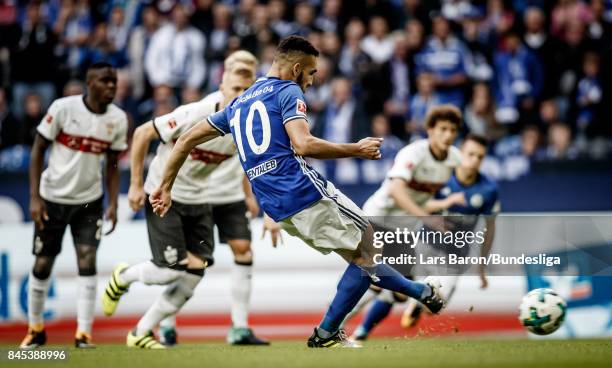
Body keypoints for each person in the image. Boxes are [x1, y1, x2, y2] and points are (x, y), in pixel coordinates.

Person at [149, 36, 445, 348]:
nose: (312, 80)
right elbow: (304, 144)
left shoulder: (239, 102)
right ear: (296, 68)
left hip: (276, 205)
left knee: (361, 256)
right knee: (369, 246)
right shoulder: (288, 90)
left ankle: (419, 294)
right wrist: (355, 149)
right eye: (312, 72)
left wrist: (164, 187)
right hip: (303, 190)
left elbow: (183, 140)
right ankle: (332, 330)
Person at [101, 52, 262, 349]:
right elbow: (141, 134)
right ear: (221, 88)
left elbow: (249, 162)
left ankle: (140, 332)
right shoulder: (198, 112)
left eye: (245, 90)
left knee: (195, 271)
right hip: (165, 194)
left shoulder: (248, 124)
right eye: (235, 90)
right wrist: (136, 185)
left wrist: (250, 195)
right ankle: (124, 276)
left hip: (200, 198)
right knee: (169, 270)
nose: (240, 96)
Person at [20, 62, 128, 349]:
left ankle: (83, 334)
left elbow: (114, 164)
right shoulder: (63, 108)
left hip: (88, 203)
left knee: (87, 261)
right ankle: (35, 329)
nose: (111, 87)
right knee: (43, 263)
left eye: (114, 82)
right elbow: (38, 149)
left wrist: (113, 202)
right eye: (105, 81)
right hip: (52, 198)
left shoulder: (118, 119)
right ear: (89, 83)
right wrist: (34, 197)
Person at [352, 135, 499, 340]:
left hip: (453, 258)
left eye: (480, 157)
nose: (474, 160)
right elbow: (419, 203)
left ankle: (417, 305)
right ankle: (362, 331)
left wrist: (481, 265)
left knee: (434, 306)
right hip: (422, 246)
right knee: (393, 291)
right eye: (470, 154)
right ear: (460, 153)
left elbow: (489, 228)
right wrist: (444, 203)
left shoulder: (489, 189)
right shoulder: (442, 177)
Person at [345, 105, 464, 339]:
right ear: (430, 130)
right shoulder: (413, 153)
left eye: (452, 130)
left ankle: (349, 327)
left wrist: (443, 208)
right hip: (378, 218)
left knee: (396, 291)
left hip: (405, 228)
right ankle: (335, 324)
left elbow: (425, 198)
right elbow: (396, 190)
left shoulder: (454, 160)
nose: (447, 135)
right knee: (375, 280)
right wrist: (427, 219)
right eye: (442, 129)